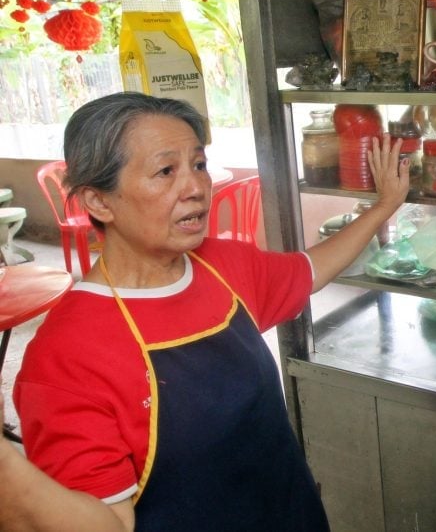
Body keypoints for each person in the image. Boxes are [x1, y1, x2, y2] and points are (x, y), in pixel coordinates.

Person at [5, 92, 409, 531]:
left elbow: (309, 270)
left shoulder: (223, 265)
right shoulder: (67, 355)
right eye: (166, 171)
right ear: (99, 202)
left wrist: (384, 206)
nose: (197, 187)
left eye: (198, 165)